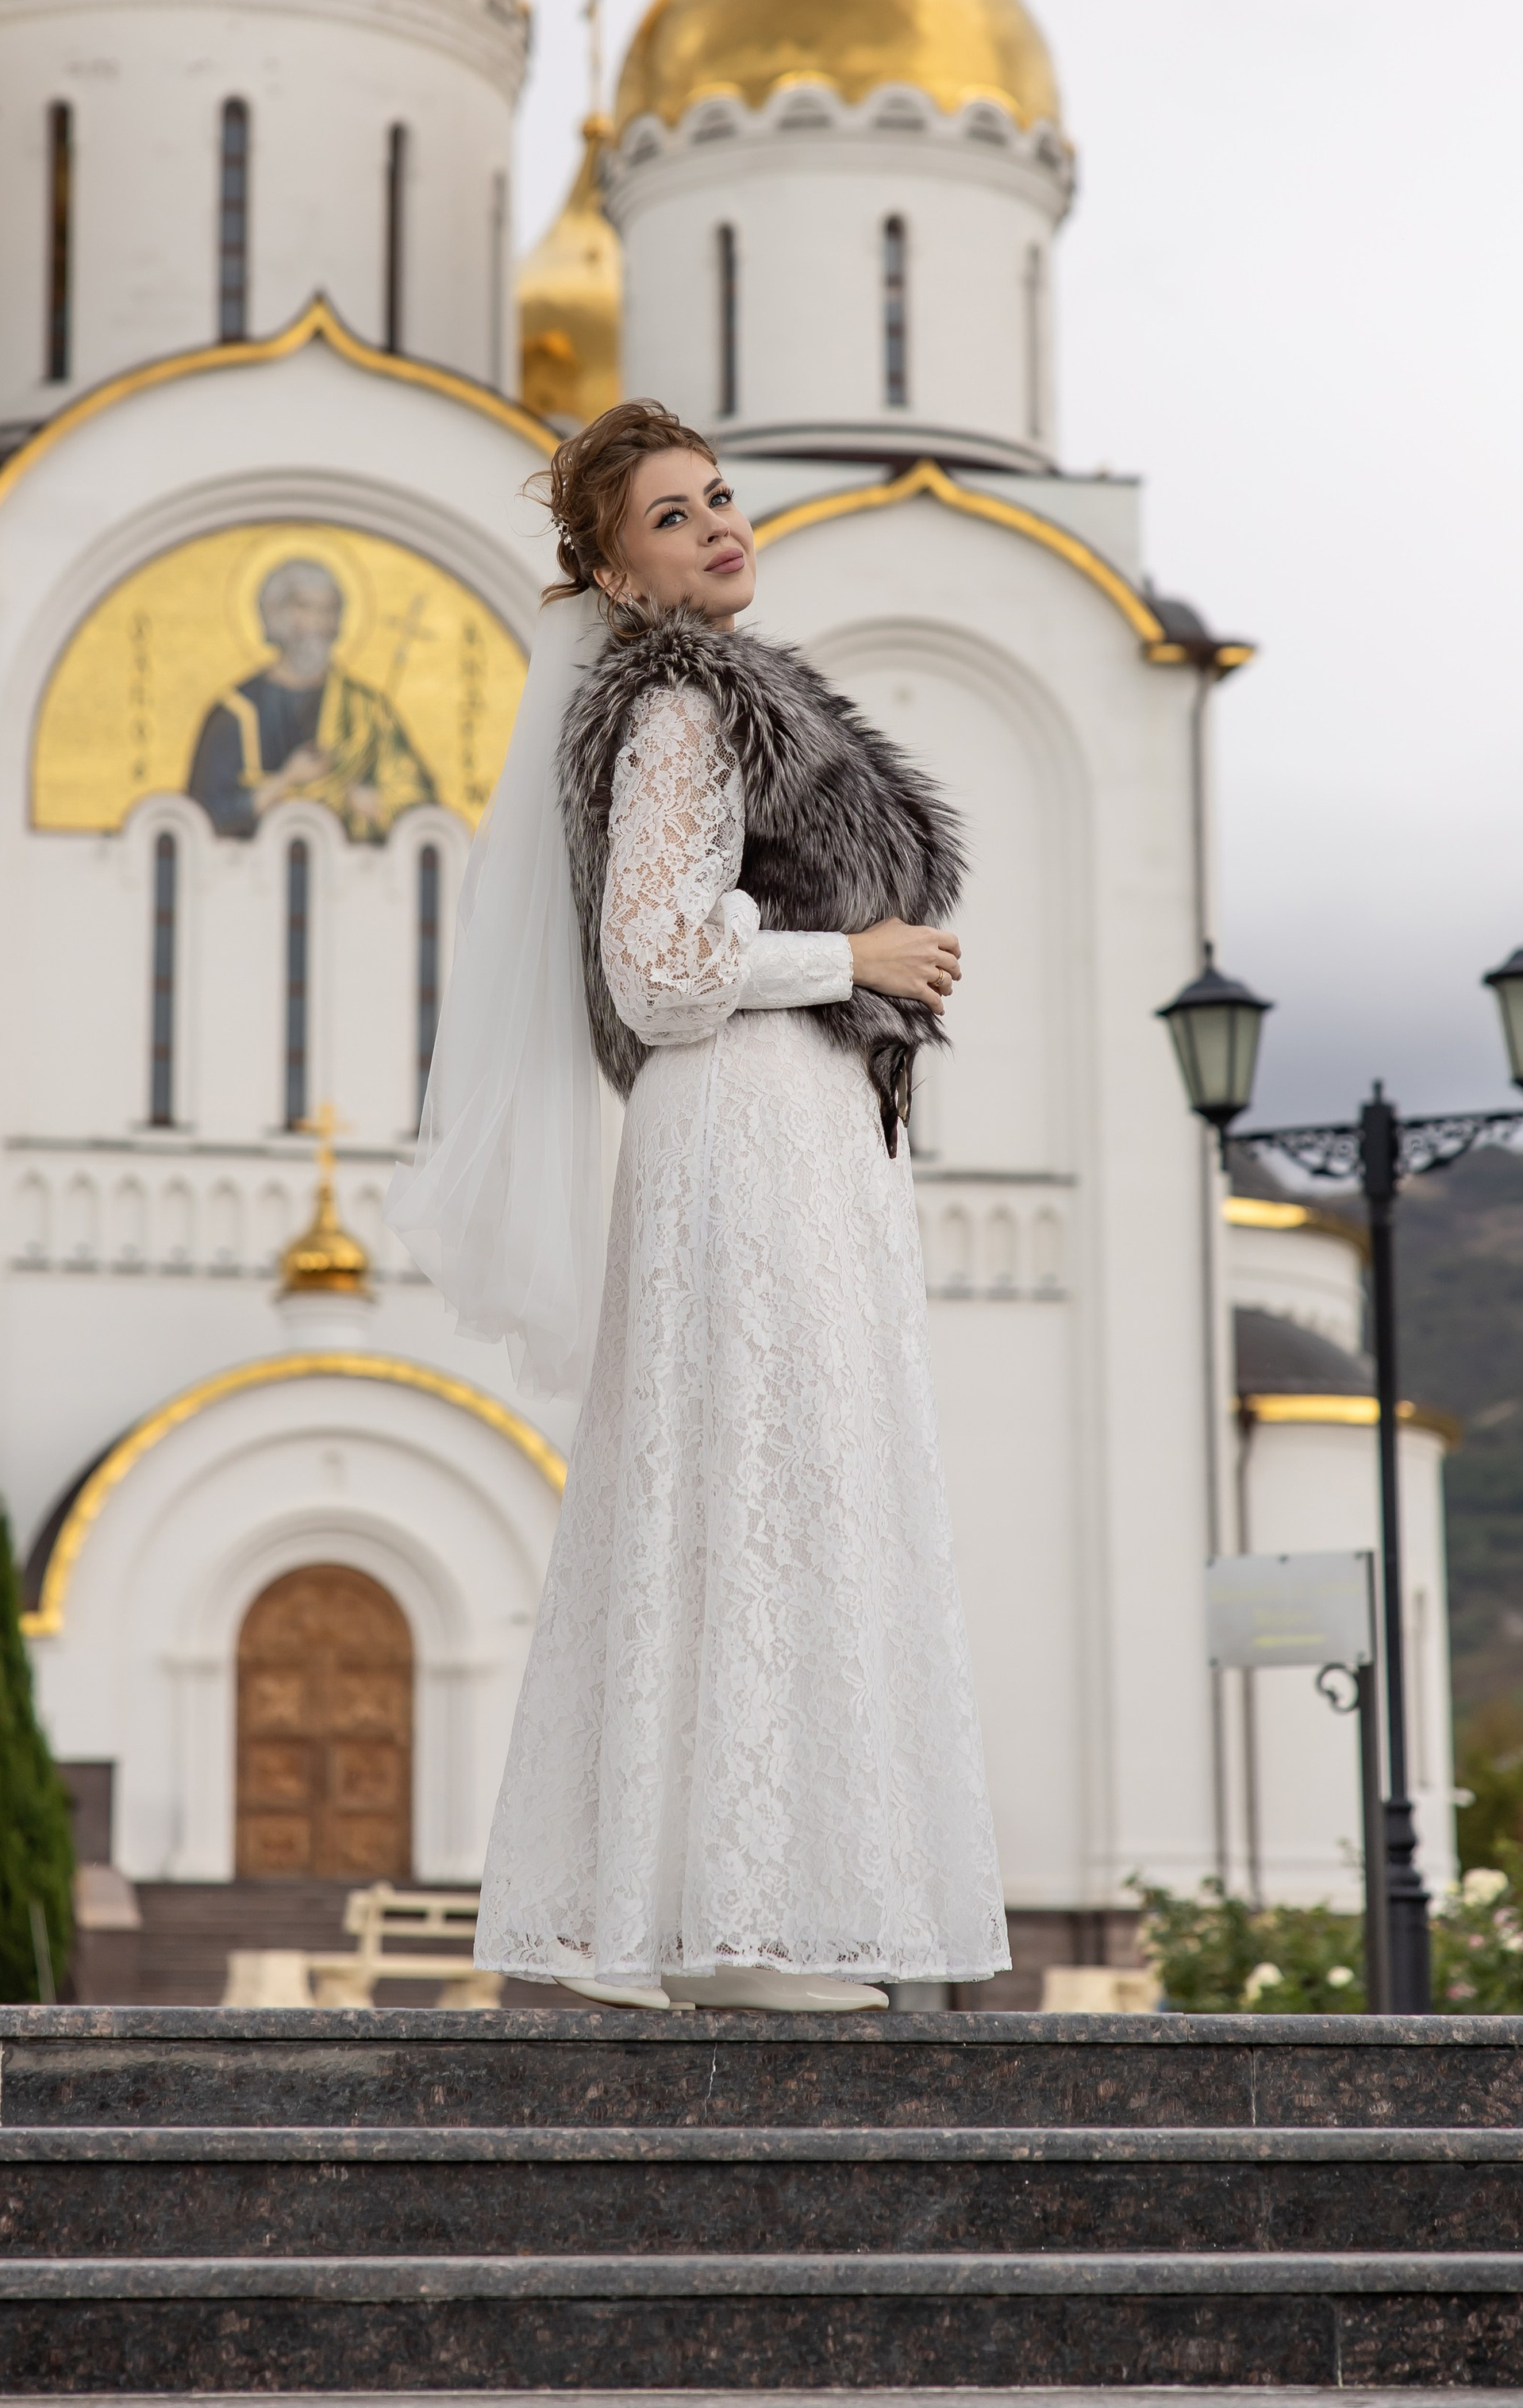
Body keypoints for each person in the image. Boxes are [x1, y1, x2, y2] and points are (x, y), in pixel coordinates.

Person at [389, 401, 1006, 2012]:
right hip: (738, 1119)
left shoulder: (731, 699)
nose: (717, 525)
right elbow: (655, 971)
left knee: (775, 1482)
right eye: (670, 517)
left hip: (793, 1124)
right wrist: (851, 958)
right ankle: (734, 1934)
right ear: (611, 566)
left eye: (720, 498)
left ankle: (744, 1909)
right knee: (755, 1481)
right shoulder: (675, 709)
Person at [188, 556, 435, 844]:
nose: (320, 623)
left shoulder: (367, 709)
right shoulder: (234, 713)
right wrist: (286, 781)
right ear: (275, 615)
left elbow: (416, 800)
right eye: (305, 607)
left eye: (329, 610)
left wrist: (372, 801)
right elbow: (204, 816)